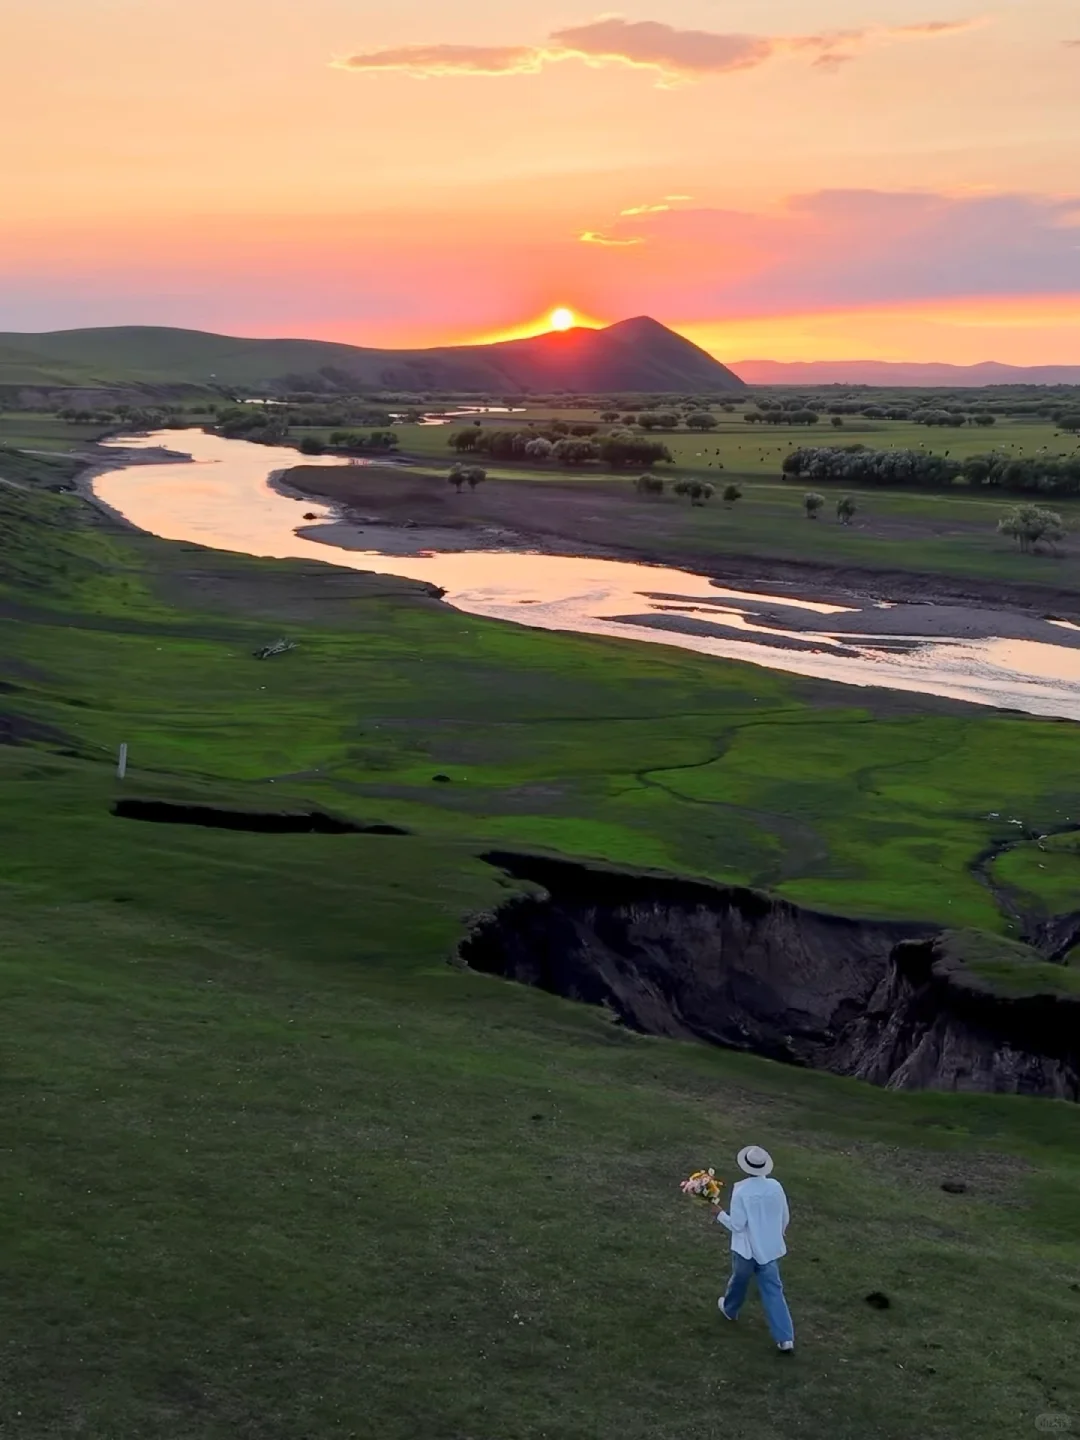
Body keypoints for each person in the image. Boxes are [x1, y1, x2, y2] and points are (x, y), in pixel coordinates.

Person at [712, 1145, 795, 1353]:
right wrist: (777, 1234)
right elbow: (785, 1216)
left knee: (739, 1281)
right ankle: (785, 1337)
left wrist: (719, 1213)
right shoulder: (776, 1186)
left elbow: (737, 1225)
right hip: (768, 1251)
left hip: (746, 1250)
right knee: (773, 1291)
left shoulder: (742, 1191)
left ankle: (730, 1309)